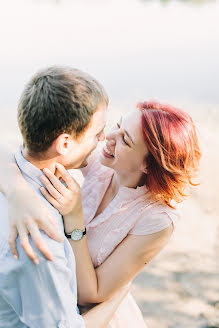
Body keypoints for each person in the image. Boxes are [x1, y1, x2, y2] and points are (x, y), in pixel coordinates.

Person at [1, 100, 201, 326]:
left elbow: (90, 293)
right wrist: (18, 193)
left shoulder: (158, 219)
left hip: (99, 318)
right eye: (118, 125)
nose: (108, 137)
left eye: (125, 139)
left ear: (148, 165)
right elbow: (18, 150)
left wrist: (74, 216)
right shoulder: (103, 160)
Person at [0, 66, 130, 328]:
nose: (102, 139)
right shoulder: (39, 234)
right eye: (97, 133)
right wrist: (120, 294)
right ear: (65, 144)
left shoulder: (14, 165)